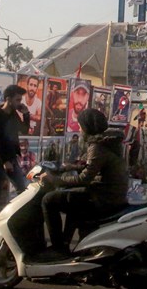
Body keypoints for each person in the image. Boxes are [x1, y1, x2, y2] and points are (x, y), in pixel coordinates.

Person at [41, 108, 128, 256]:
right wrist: (71, 166)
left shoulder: (97, 147)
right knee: (73, 200)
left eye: (81, 126)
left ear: (87, 127)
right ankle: (65, 245)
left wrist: (55, 180)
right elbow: (95, 167)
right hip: (110, 195)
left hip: (102, 198)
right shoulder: (109, 143)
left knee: (49, 200)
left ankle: (57, 247)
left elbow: (84, 178)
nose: (79, 129)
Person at [0, 84, 30, 234]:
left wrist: (26, 114)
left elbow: (24, 130)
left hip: (11, 157)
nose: (19, 102)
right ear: (8, 99)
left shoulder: (13, 114)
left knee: (22, 191)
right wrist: (4, 161)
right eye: (17, 99)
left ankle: (13, 223)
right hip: (0, 160)